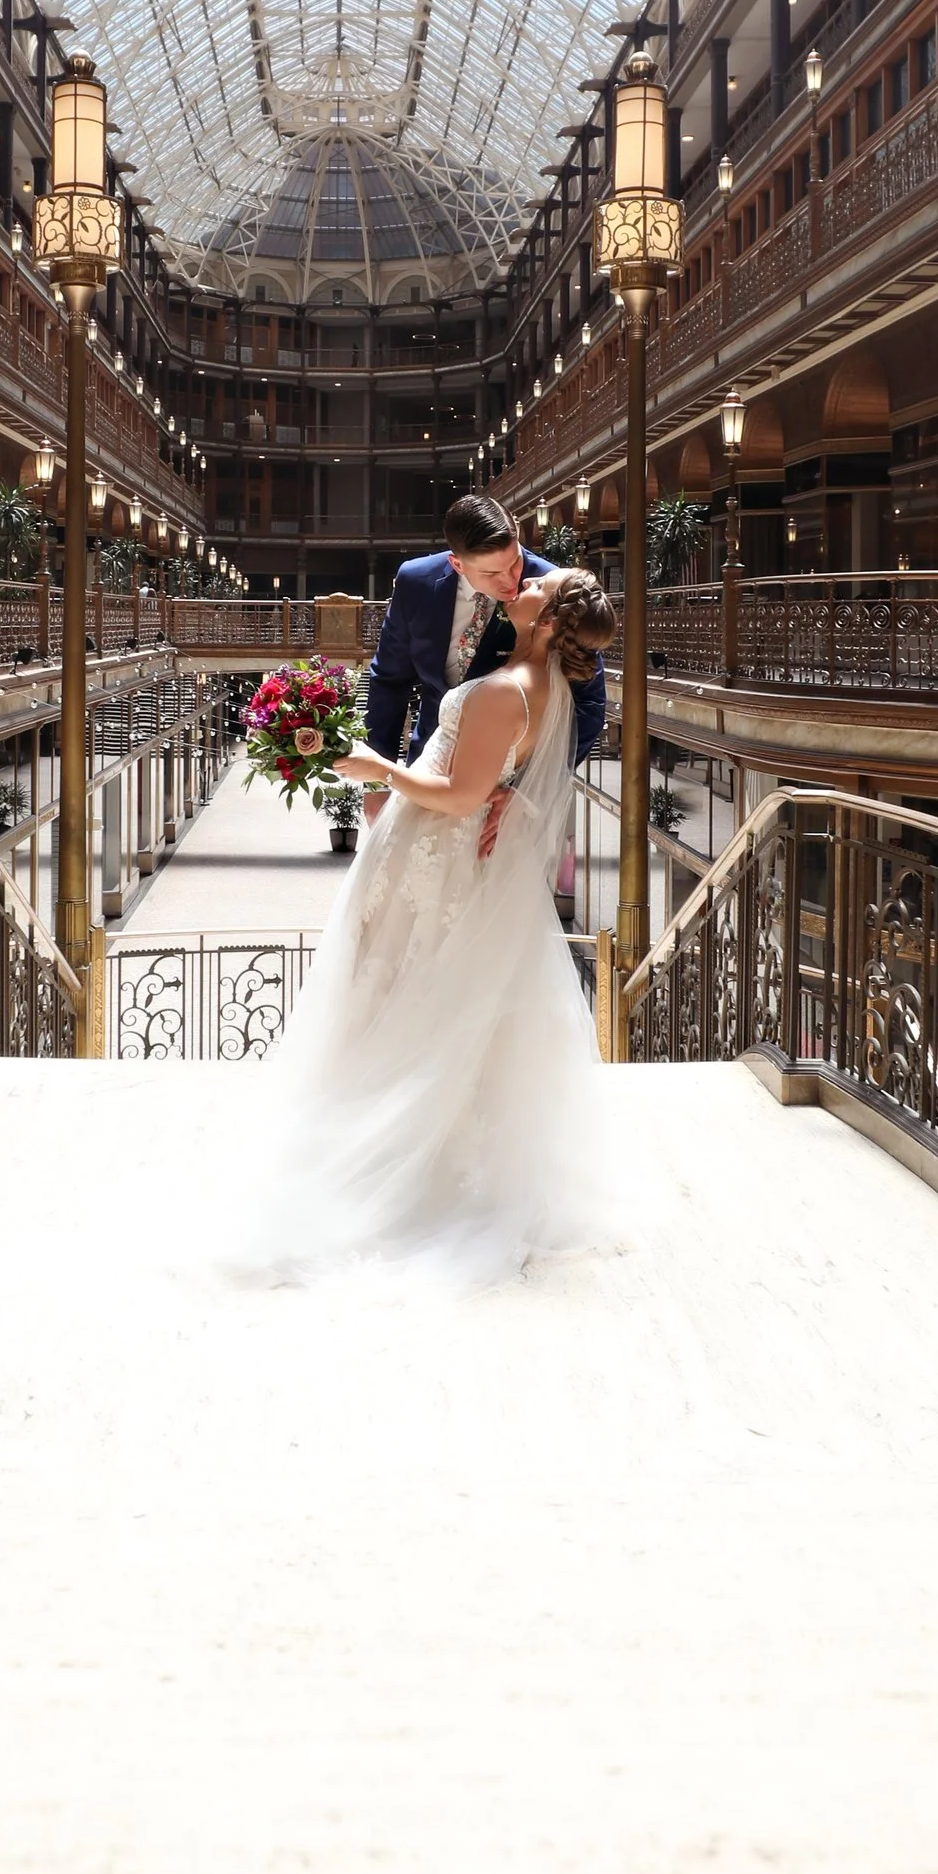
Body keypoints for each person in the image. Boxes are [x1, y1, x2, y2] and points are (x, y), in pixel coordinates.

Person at [226, 566, 619, 1287]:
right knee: (405, 990)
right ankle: (395, 1146)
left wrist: (373, 767)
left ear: (547, 620)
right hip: (440, 852)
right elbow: (493, 780)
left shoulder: (509, 689)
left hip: (434, 852)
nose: (528, 577)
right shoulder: (531, 679)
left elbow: (459, 791)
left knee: (397, 992)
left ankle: (384, 1163)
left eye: (544, 581)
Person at [363, 492, 609, 791]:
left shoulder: (552, 591)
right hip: (426, 768)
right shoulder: (416, 581)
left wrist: (524, 789)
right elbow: (389, 681)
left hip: (507, 783)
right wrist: (376, 784)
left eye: (515, 562)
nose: (510, 581)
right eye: (491, 572)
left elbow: (589, 704)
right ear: (457, 564)